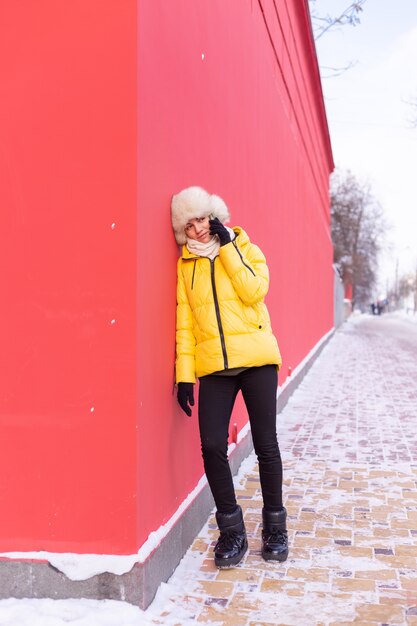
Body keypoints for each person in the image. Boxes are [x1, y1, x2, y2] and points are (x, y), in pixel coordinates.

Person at [171, 186, 288, 568]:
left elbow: (255, 290)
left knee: (266, 443)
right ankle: (232, 531)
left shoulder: (245, 247)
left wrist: (228, 247)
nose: (198, 230)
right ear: (183, 231)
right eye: (189, 225)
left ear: (214, 216)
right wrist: (185, 375)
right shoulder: (185, 267)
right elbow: (185, 324)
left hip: (257, 361)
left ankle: (274, 526)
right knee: (211, 446)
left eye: (202, 220)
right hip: (215, 368)